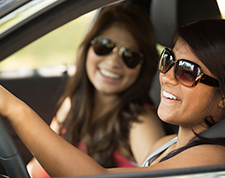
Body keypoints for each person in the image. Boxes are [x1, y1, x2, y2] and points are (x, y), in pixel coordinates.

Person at [2, 14, 225, 178]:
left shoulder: (213, 158)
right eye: (168, 60)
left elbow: (98, 177)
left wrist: (15, 110)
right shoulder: (165, 145)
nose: (167, 77)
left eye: (187, 72)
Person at [26, 2, 166, 177]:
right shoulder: (71, 105)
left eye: (130, 56)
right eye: (105, 46)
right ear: (87, 49)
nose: (113, 62)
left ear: (143, 68)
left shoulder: (139, 122)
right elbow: (34, 170)